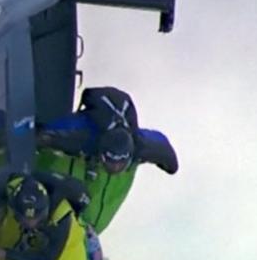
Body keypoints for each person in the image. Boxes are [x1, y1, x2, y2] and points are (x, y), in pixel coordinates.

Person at [36, 86, 179, 234]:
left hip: (87, 226)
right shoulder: (81, 138)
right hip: (50, 209)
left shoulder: (142, 146)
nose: (115, 167)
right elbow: (45, 132)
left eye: (120, 164)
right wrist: (42, 139)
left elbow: (166, 152)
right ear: (101, 153)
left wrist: (170, 165)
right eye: (109, 162)